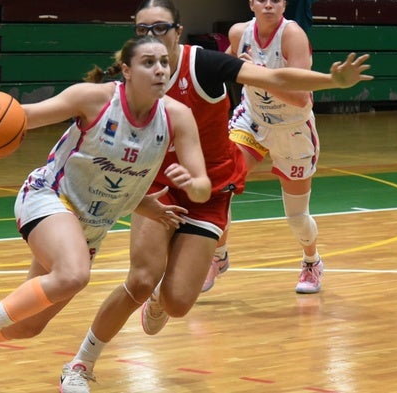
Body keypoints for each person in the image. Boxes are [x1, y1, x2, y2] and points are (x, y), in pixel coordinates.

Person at [59, 1, 372, 392]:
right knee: (139, 279)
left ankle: (284, 261)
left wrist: (330, 80)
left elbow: (274, 77)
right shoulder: (132, 75)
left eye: (161, 28)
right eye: (143, 31)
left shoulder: (206, 63)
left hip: (226, 175)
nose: (153, 37)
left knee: (178, 303)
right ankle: (81, 364)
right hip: (164, 181)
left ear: (178, 29)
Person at [0, 35, 213, 392]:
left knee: (29, 325)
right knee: (74, 274)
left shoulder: (177, 117)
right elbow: (23, 116)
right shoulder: (94, 99)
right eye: (148, 62)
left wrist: (186, 185)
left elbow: (201, 185)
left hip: (90, 227)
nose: (160, 69)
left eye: (164, 62)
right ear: (127, 70)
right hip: (49, 197)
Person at [202, 0, 326, 294]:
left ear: (284, 4)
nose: (268, 4)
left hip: (293, 129)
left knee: (297, 218)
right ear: (251, 3)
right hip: (253, 122)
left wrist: (256, 72)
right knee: (220, 187)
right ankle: (218, 257)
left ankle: (312, 261)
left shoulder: (292, 36)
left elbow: (301, 98)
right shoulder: (239, 33)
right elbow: (225, 66)